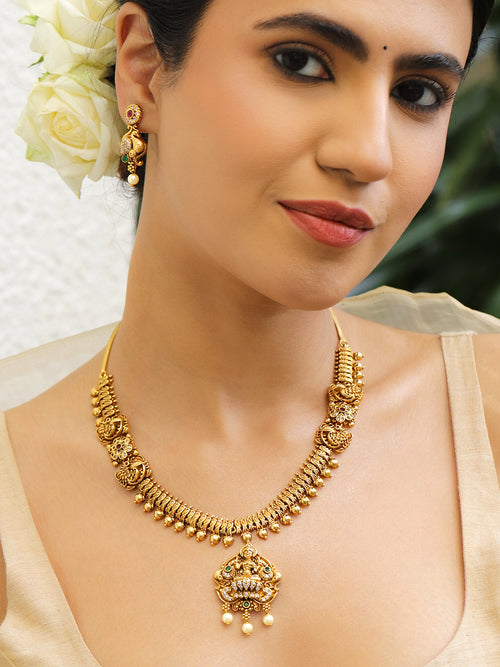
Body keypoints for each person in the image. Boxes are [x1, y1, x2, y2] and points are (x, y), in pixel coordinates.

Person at [1, 0, 499, 665]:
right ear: (144, 68)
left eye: (417, 93)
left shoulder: (487, 418)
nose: (368, 153)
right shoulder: (13, 505)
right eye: (301, 62)